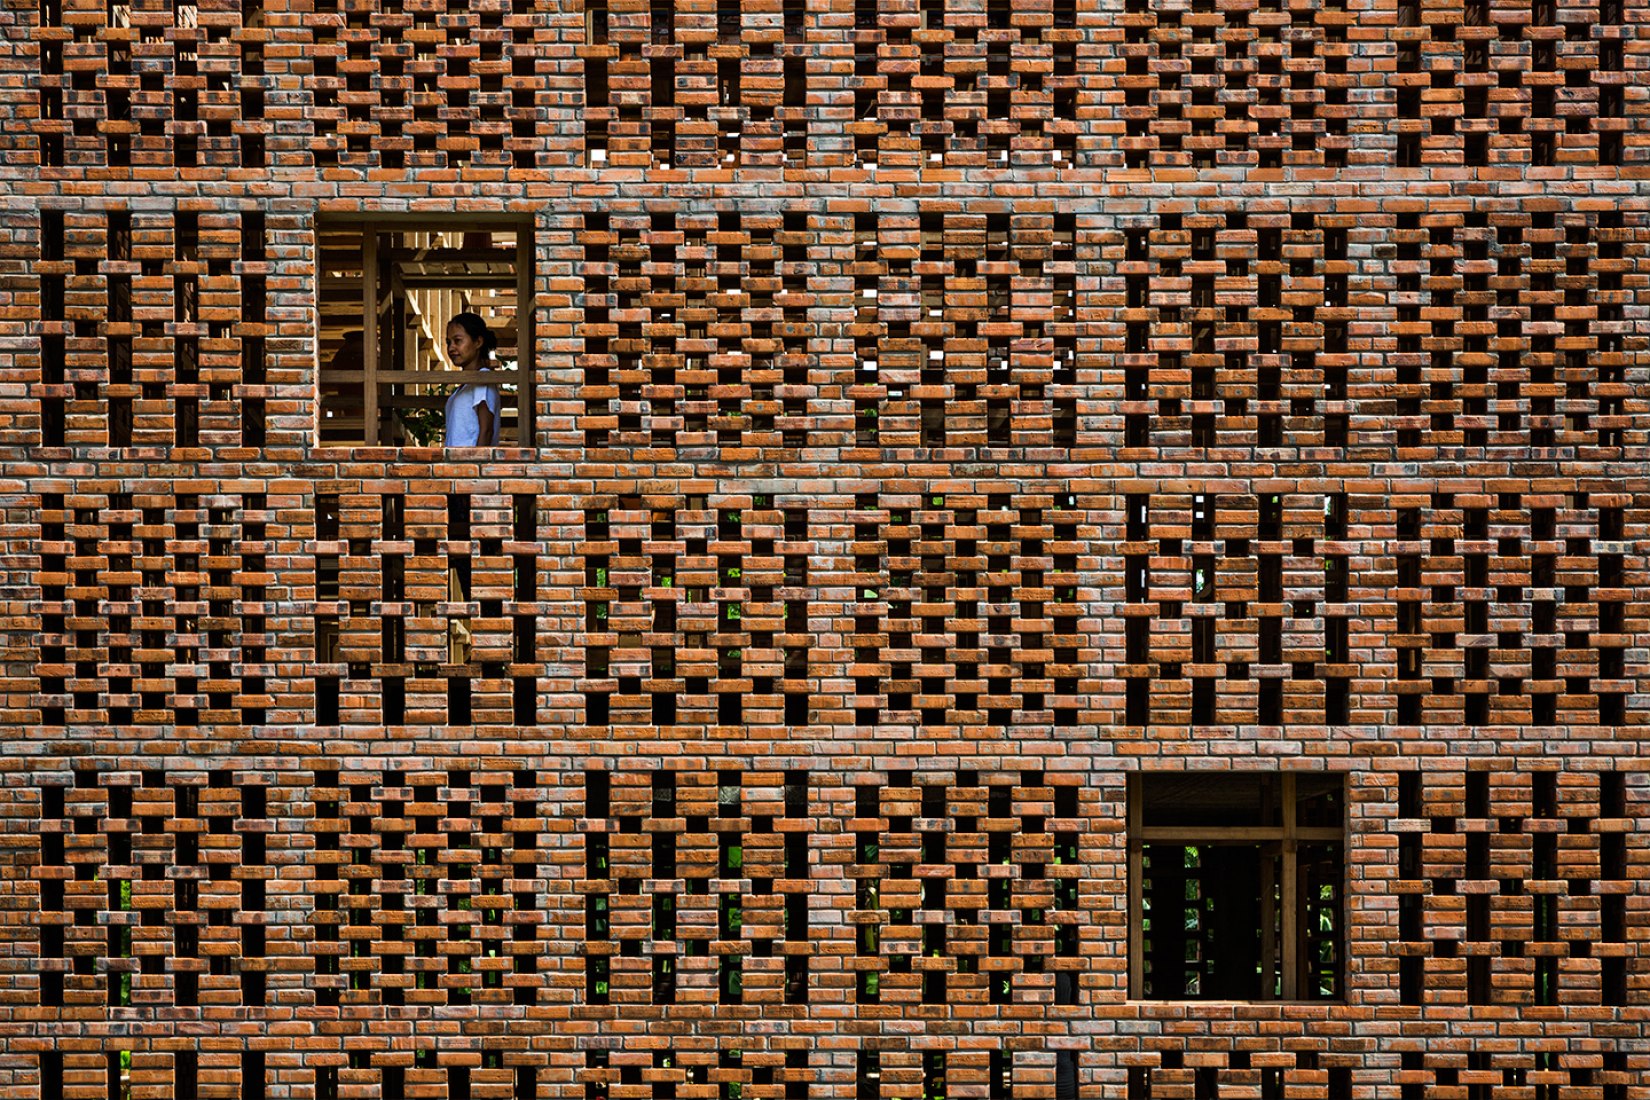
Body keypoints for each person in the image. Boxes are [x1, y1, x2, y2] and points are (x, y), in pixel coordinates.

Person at [444, 312, 502, 446]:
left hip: (469, 464)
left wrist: (477, 465)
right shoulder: (465, 386)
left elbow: (486, 431)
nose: (451, 348)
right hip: (456, 464)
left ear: (478, 342)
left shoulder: (483, 379)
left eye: (457, 340)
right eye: (448, 342)